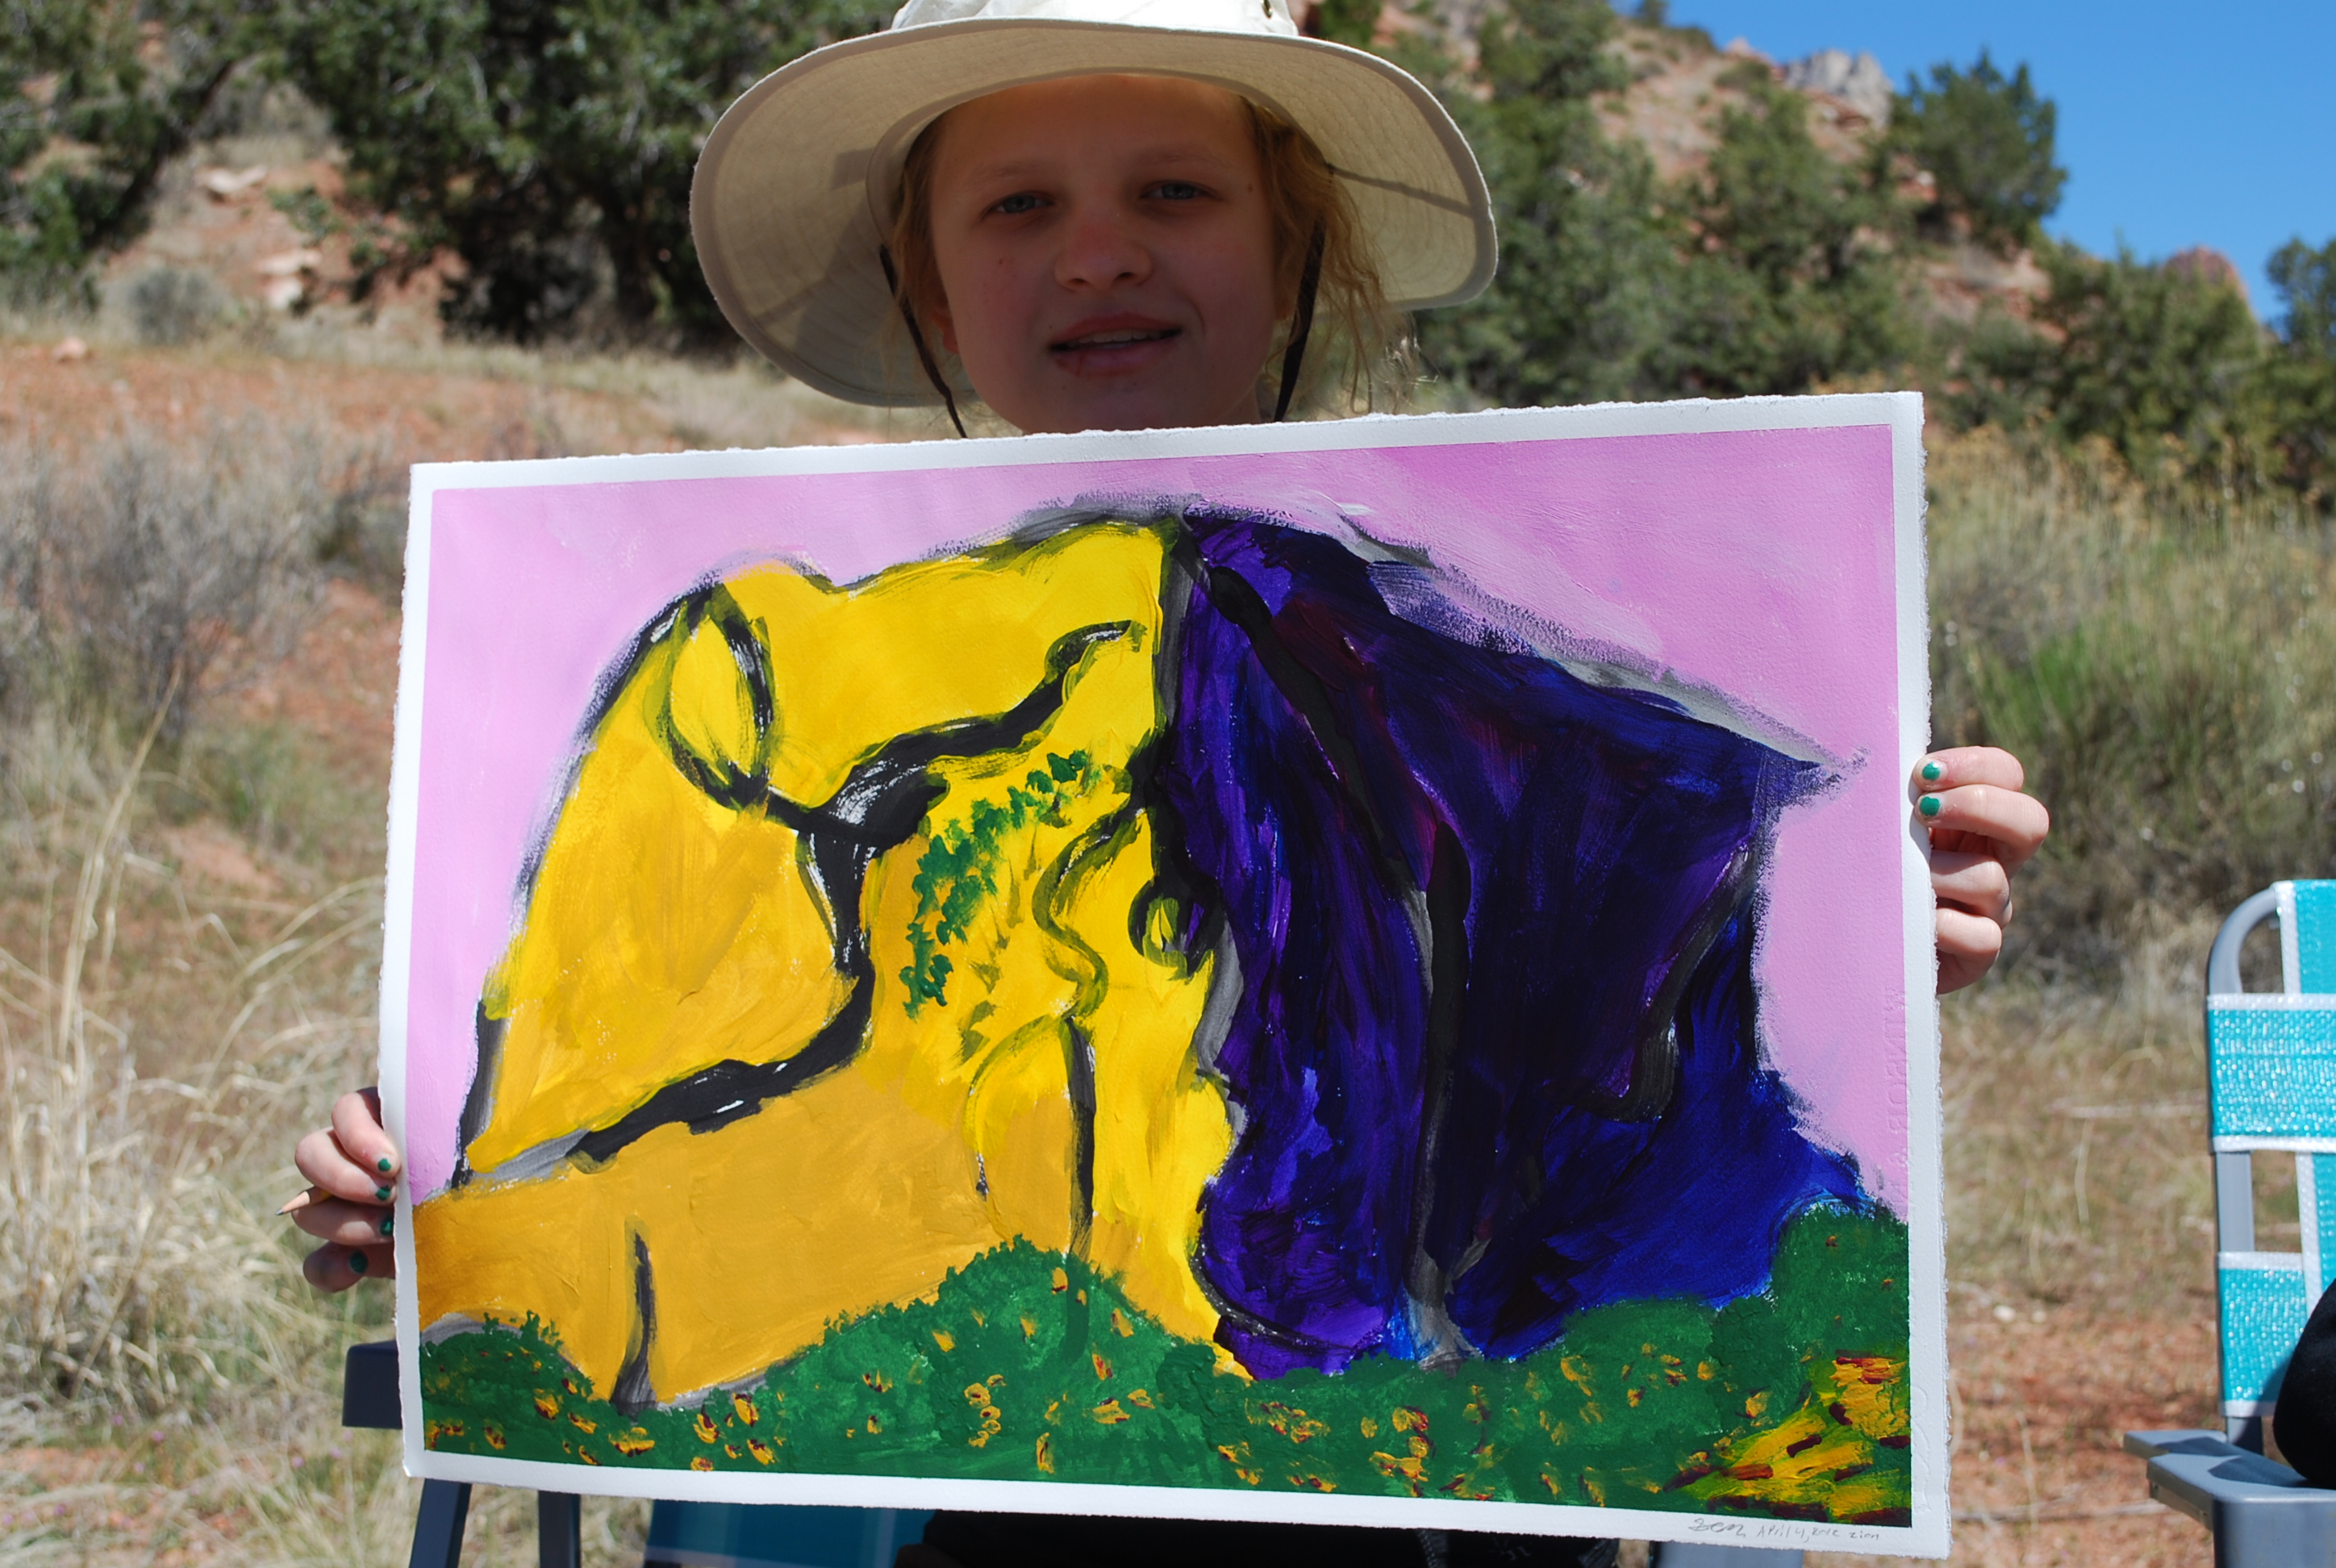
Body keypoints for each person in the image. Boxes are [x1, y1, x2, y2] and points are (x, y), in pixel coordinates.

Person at [286, 0, 2051, 1562]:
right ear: (929, 285)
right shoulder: (750, 677)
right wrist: (419, 1183)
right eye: (1017, 206)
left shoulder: (1479, 685)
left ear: (1290, 252)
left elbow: (1673, 1029)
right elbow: (604, 1116)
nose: (1098, 254)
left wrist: (1874, 929)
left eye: (1174, 191)